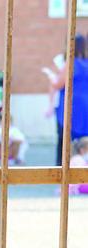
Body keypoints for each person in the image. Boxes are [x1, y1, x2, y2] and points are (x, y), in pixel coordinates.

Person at [48, 34, 88, 166]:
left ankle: (62, 169)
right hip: (85, 106)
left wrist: (51, 77)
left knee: (63, 140)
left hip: (70, 106)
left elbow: (57, 84)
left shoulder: (70, 64)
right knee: (84, 140)